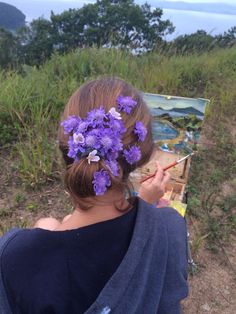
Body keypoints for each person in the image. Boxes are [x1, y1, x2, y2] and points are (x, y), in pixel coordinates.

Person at [0, 77, 188, 314]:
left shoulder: (15, 257)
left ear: (67, 146)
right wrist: (145, 207)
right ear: (142, 155)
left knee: (46, 224)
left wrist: (46, 234)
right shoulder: (169, 229)